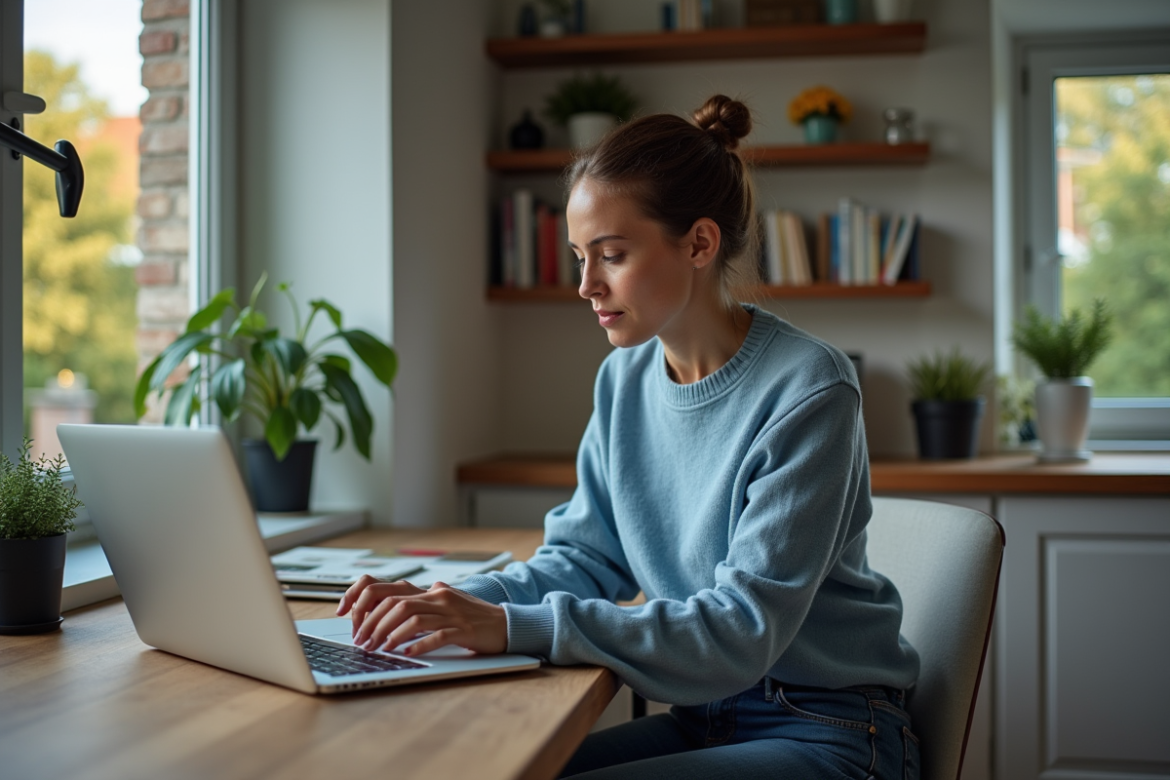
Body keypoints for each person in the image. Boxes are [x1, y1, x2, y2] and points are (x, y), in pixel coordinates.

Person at [337, 95, 921, 780]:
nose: (586, 285)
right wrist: (449, 605)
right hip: (704, 717)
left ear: (700, 244)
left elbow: (739, 632)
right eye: (582, 256)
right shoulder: (623, 379)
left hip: (830, 730)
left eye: (611, 255)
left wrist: (506, 628)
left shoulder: (809, 389)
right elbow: (583, 560)